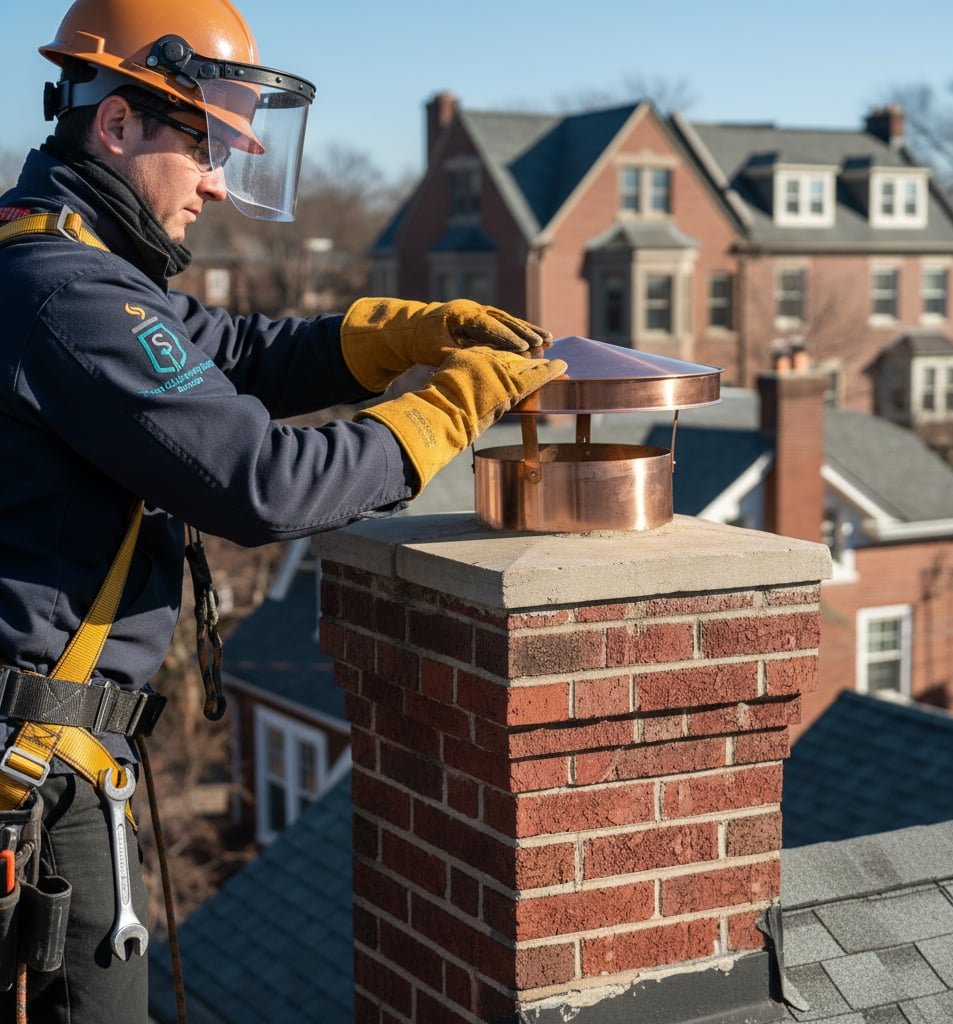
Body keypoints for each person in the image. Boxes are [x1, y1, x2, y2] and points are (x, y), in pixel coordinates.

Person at [0, 1, 565, 1021]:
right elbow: (259, 482)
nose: (217, 182)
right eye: (206, 146)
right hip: (33, 783)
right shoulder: (63, 295)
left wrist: (386, 334)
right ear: (119, 125)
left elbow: (231, 353)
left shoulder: (58, 254)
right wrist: (440, 413)